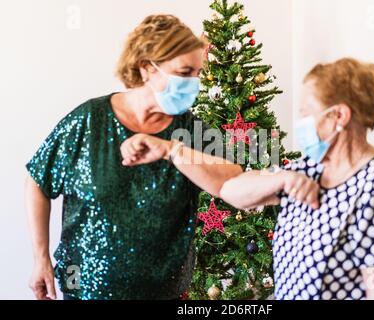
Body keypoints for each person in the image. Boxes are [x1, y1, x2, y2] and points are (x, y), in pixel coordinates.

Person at [25, 14, 242, 300]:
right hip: (80, 285)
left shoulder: (190, 131)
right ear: (147, 68)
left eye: (198, 74)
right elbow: (37, 180)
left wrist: (173, 151)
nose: (194, 83)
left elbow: (232, 179)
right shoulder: (89, 120)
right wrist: (41, 258)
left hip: (162, 290)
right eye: (185, 72)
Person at [220, 58, 374, 300]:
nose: (301, 123)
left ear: (339, 115)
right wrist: (283, 179)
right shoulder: (309, 167)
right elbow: (232, 191)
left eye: (306, 113)